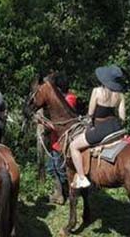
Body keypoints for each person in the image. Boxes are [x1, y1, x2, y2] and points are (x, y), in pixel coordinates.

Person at [68, 65, 127, 189]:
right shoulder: (120, 95)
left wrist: (88, 120)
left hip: (100, 129)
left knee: (73, 146)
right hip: (116, 128)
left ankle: (82, 178)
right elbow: (122, 117)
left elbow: (90, 113)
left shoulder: (97, 91)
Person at [43, 72, 78, 204]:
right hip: (54, 140)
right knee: (52, 167)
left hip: (62, 141)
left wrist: (44, 123)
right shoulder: (60, 99)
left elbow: (63, 122)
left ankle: (67, 193)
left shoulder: (69, 99)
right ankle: (59, 193)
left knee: (61, 169)